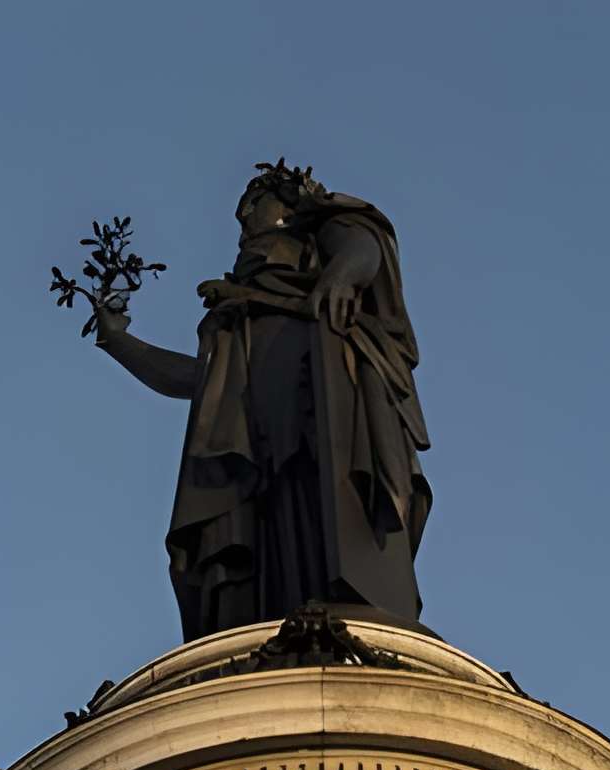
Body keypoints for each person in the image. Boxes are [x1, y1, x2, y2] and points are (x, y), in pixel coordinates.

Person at [92, 160, 431, 637]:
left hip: (323, 414)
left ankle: (349, 609)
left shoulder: (315, 238)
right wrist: (120, 342)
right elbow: (198, 381)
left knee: (329, 512)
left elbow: (362, 246)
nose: (244, 217)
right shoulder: (238, 314)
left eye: (254, 203)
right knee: (264, 539)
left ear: (288, 202)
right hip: (255, 452)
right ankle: (276, 624)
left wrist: (340, 277)